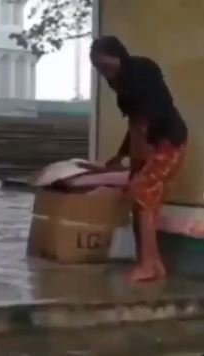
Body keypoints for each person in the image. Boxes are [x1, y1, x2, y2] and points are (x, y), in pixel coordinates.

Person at [89, 36, 188, 282]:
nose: (106, 74)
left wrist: (141, 158)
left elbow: (148, 118)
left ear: (120, 57)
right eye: (100, 70)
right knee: (142, 203)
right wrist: (122, 155)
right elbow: (135, 124)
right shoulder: (123, 88)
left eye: (108, 67)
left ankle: (147, 265)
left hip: (169, 143)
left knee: (141, 191)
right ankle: (154, 264)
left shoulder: (142, 72)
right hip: (151, 145)